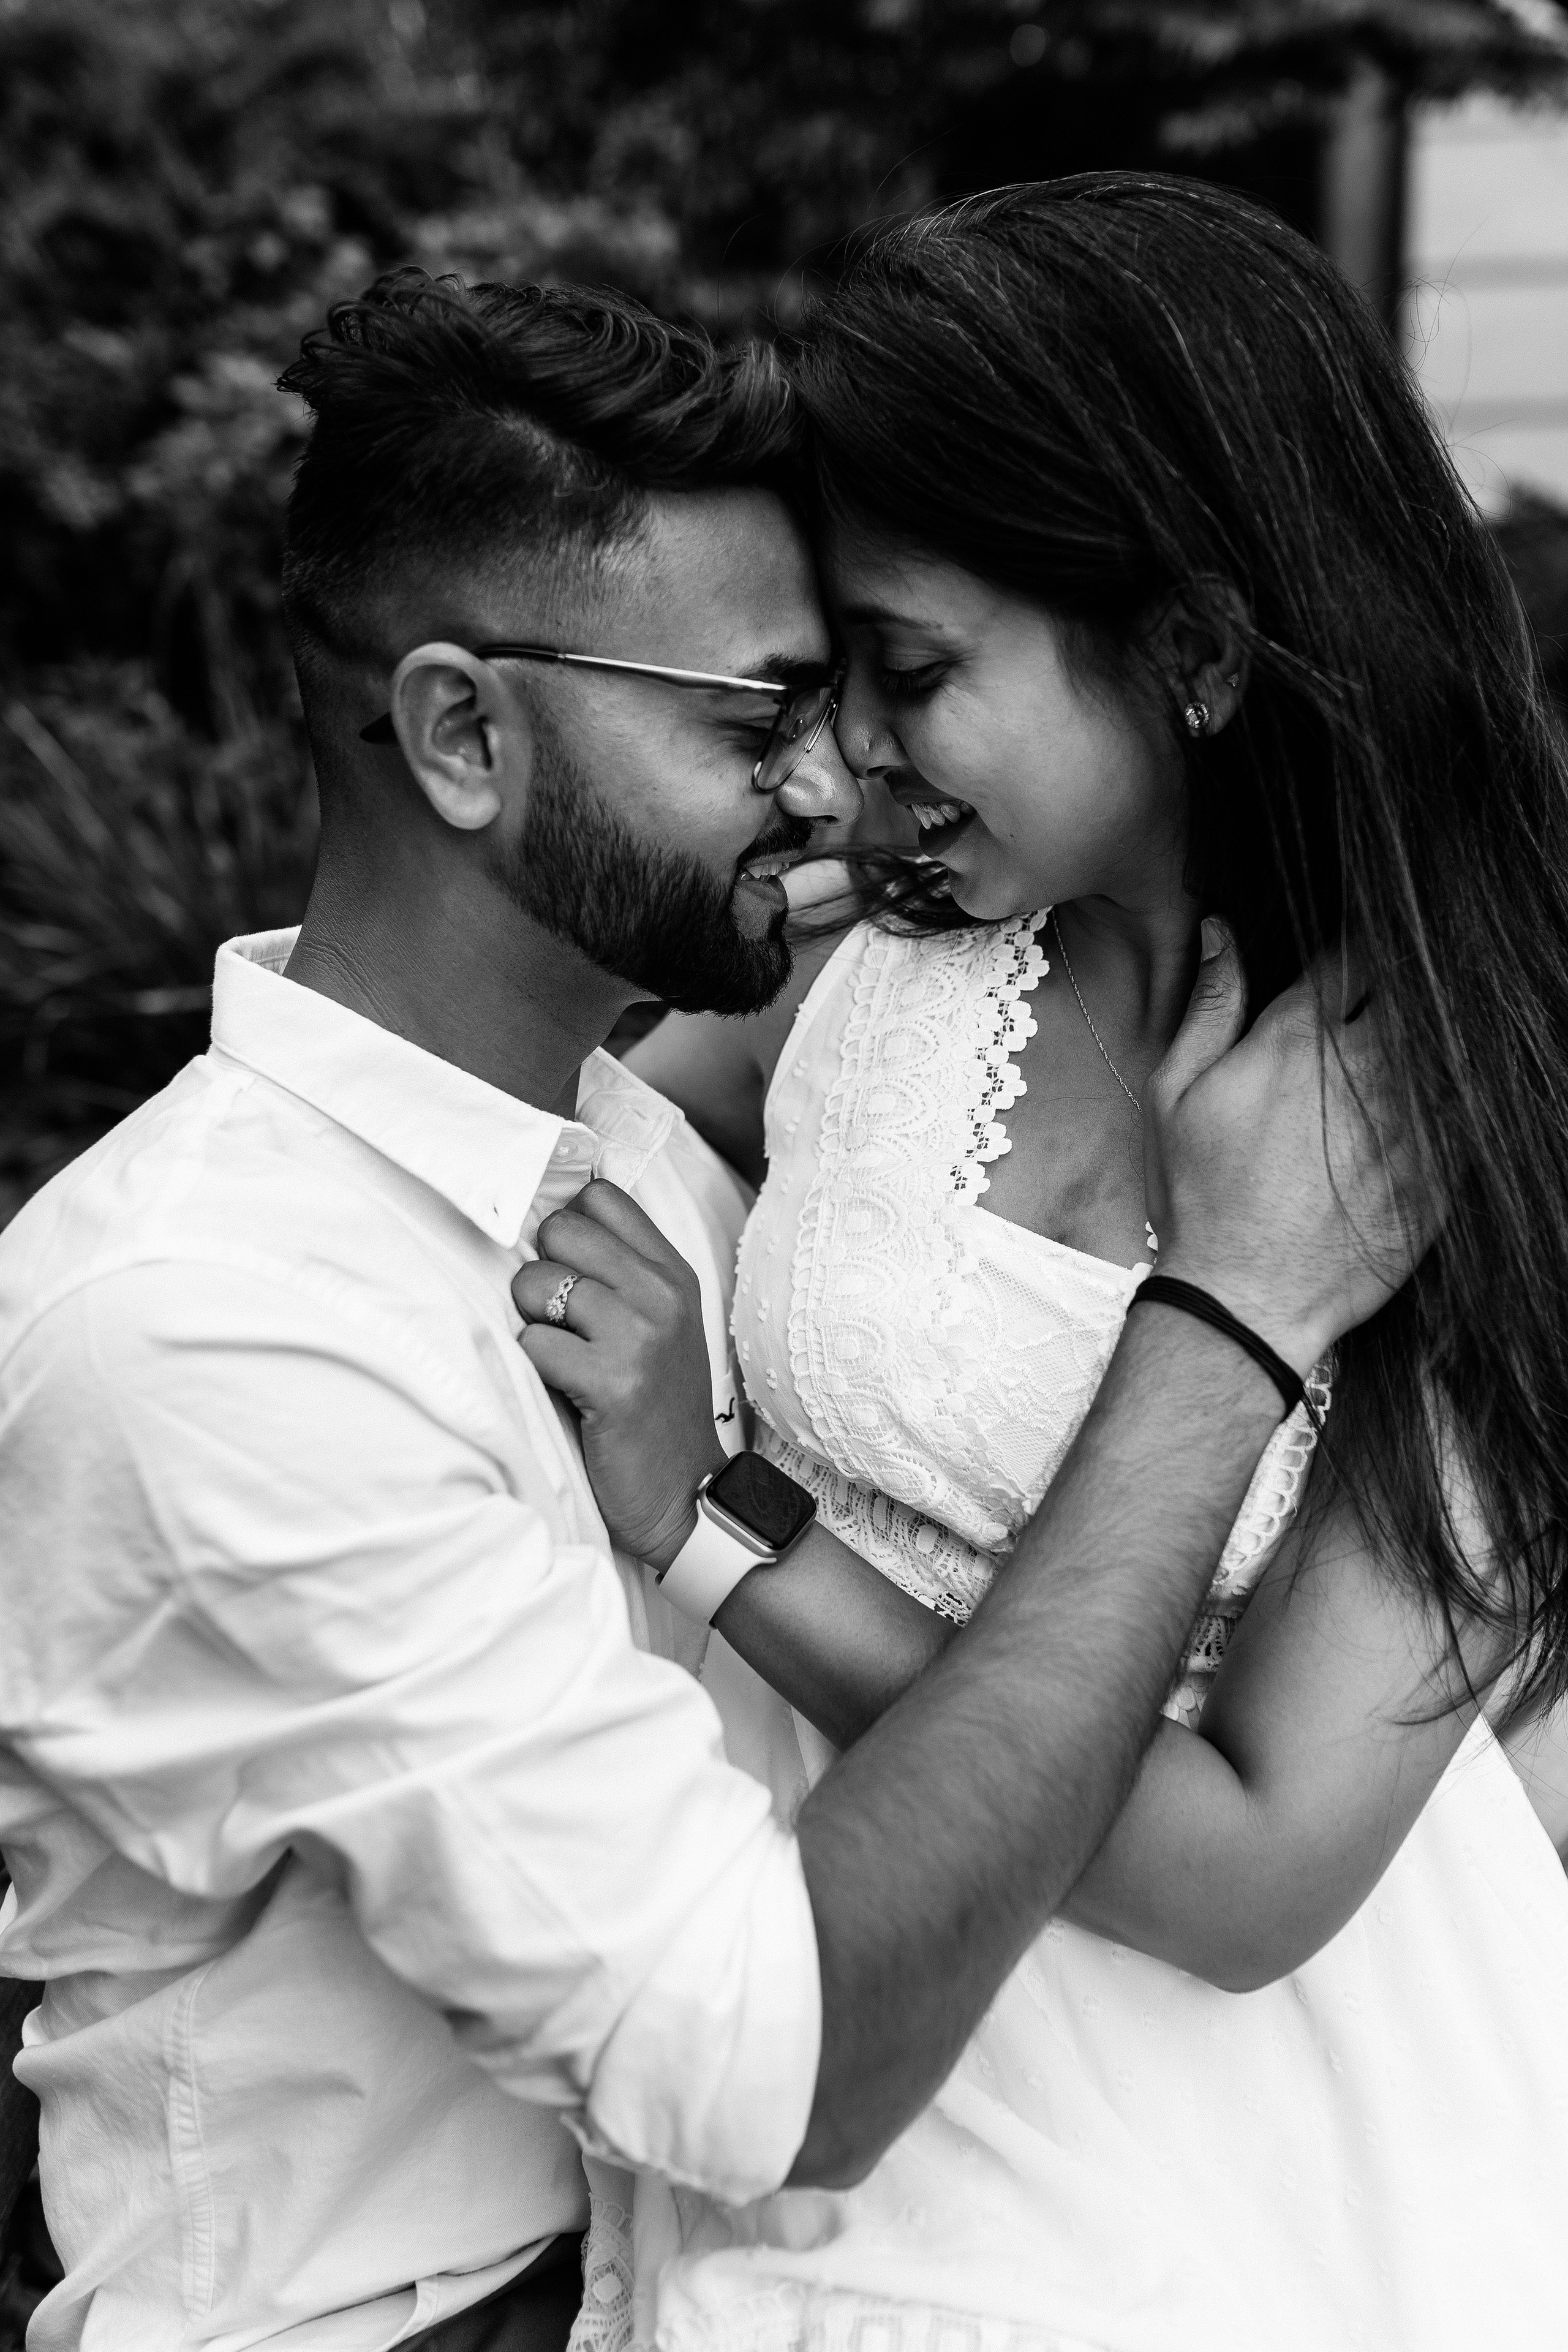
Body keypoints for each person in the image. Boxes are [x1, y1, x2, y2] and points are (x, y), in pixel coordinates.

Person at [0, 267, 1420, 2352]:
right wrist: (1224, 1323)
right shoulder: (210, 1328)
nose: (834, 786)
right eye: (759, 721)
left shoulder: (636, 1159)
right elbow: (787, 2067)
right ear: (465, 734)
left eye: (859, 695)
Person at [526, 181, 1568, 2352]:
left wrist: (725, 1534)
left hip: (1218, 2151)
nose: (849, 754)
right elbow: (579, 1144)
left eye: (914, 673)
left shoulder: (1454, 1122)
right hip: (821, 2019)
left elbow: (1262, 1872)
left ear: (1189, 652)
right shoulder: (901, 951)